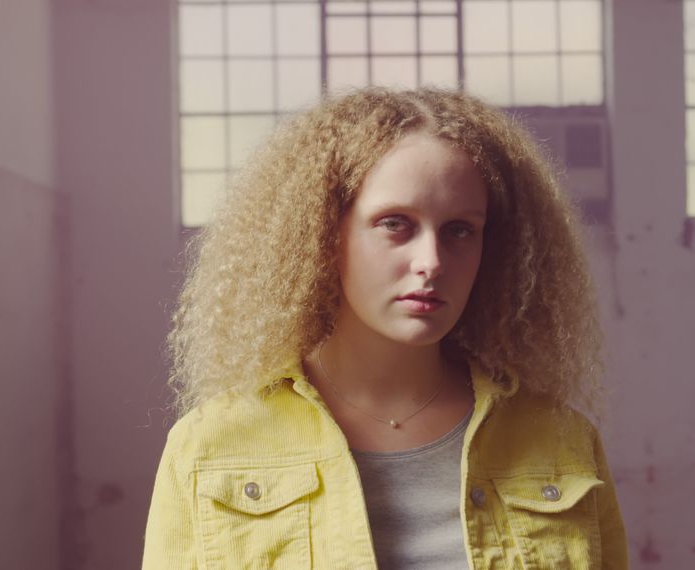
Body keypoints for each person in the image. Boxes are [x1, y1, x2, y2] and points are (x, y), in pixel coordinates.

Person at [142, 87, 628, 569]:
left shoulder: (562, 442)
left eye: (460, 230)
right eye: (395, 224)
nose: (431, 262)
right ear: (324, 235)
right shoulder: (210, 448)